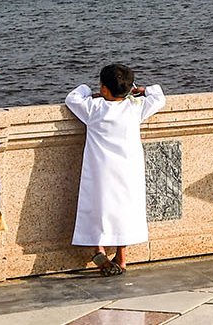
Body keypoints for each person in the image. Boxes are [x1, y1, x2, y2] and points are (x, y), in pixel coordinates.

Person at [66, 65, 168, 275]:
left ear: (103, 89)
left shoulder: (94, 109)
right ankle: (121, 258)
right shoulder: (135, 108)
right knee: (124, 210)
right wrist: (143, 90)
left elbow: (73, 98)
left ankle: (99, 250)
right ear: (129, 88)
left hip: (100, 169)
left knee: (97, 207)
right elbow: (159, 97)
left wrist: (88, 90)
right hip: (128, 169)